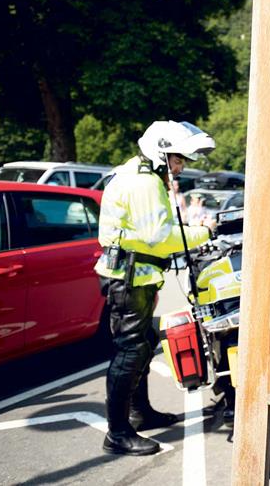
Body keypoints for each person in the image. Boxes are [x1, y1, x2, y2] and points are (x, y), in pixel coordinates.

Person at [95, 120, 215, 456]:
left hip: (137, 277)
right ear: (161, 153)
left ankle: (139, 413)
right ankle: (117, 433)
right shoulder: (144, 183)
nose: (180, 167)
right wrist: (204, 232)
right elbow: (160, 238)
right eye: (178, 160)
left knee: (144, 343)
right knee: (130, 350)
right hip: (128, 280)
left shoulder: (140, 176)